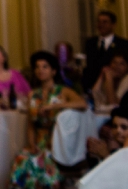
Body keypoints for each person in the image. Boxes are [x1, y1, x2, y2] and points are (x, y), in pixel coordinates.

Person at [9, 51, 87, 187]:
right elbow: (31, 125)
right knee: (22, 158)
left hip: (58, 142)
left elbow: (82, 104)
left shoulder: (63, 91)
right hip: (40, 141)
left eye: (45, 67)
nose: (40, 70)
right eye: (37, 67)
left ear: (54, 71)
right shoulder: (32, 94)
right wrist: (33, 145)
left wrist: (55, 106)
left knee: (39, 161)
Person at [84, 11, 128, 92]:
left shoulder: (123, 44)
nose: (101, 25)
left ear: (113, 25)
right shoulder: (90, 43)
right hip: (93, 86)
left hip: (114, 86)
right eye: (99, 21)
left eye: (105, 22)